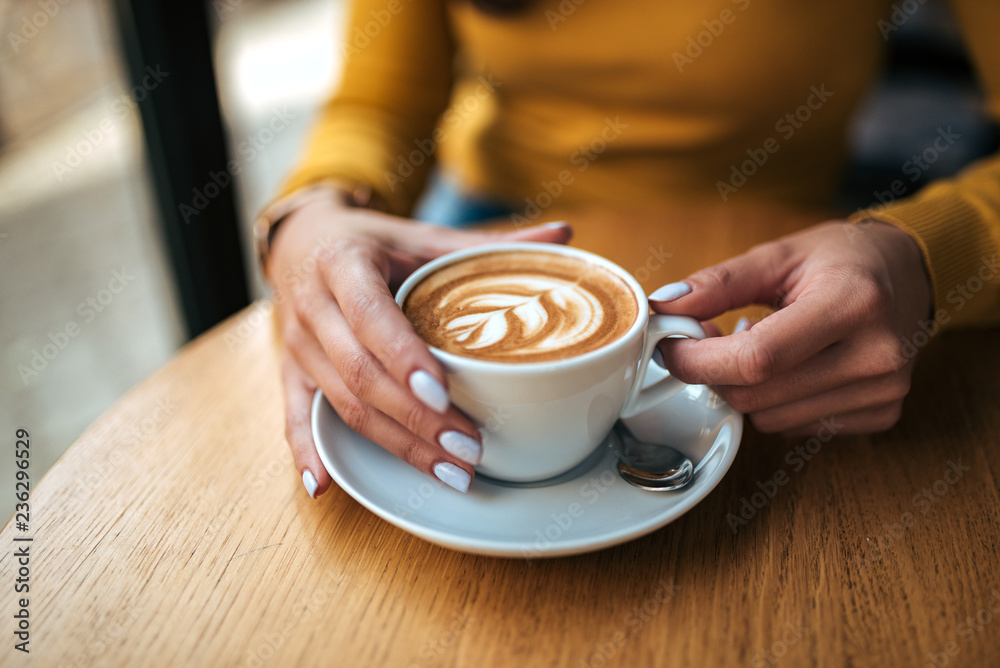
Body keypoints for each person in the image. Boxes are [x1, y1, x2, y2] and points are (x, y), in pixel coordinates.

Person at [254, 0, 1000, 498]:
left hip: (778, 246)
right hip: (486, 223)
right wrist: (312, 215)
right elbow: (379, 104)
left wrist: (926, 258)